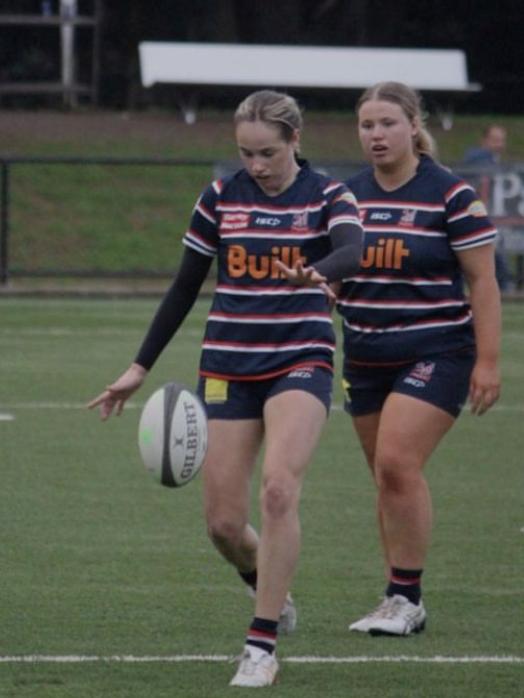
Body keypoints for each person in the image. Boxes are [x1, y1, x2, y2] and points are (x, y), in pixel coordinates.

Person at [88, 89, 363, 687]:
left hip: (301, 358)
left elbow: (353, 249)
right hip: (228, 367)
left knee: (279, 492)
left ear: (296, 141)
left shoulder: (327, 195)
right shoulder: (221, 196)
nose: (256, 165)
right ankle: (267, 589)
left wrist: (319, 271)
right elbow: (185, 286)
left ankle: (260, 645)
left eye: (267, 152)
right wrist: (139, 366)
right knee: (221, 523)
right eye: (245, 153)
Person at [336, 82, 501, 637]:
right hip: (364, 355)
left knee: (397, 464)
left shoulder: (450, 195)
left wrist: (489, 361)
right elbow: (332, 272)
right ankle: (397, 597)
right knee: (387, 481)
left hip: (438, 351)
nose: (376, 135)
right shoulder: (347, 197)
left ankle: (405, 598)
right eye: (367, 126)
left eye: (387, 123)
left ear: (413, 126)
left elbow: (483, 282)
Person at [462, 125, 512, 290]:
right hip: (481, 216)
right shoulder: (479, 160)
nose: (500, 144)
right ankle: (506, 287)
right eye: (495, 140)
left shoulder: (491, 161)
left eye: (502, 140)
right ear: (484, 141)